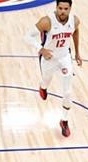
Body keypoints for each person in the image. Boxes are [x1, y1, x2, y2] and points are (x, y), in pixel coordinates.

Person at [24, 0, 82, 137]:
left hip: (64, 57)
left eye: (66, 9)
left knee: (68, 92)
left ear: (70, 8)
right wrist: (41, 49)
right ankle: (42, 87)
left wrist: (77, 53)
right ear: (56, 7)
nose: (62, 11)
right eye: (60, 8)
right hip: (48, 58)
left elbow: (75, 31)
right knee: (46, 80)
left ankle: (64, 121)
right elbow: (27, 36)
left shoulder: (74, 20)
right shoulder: (47, 21)